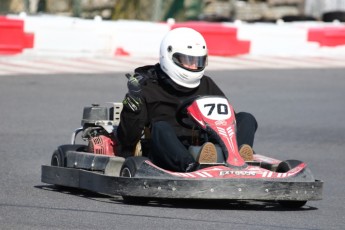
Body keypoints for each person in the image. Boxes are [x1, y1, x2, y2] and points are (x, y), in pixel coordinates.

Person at [116, 27, 257, 172]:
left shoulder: (206, 83)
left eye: (198, 61)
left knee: (246, 118)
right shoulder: (148, 87)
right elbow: (127, 140)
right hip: (166, 154)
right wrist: (133, 105)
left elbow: (226, 120)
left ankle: (237, 159)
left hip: (206, 148)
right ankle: (191, 167)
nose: (194, 66)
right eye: (188, 60)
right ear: (169, 57)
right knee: (161, 127)